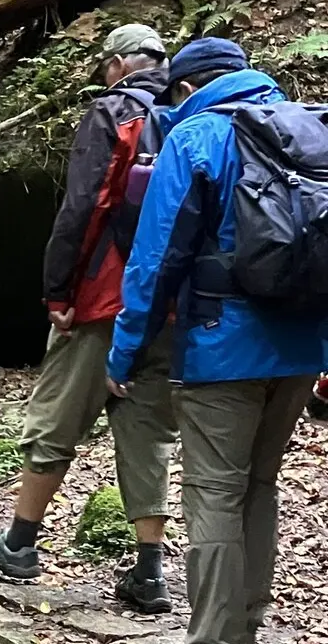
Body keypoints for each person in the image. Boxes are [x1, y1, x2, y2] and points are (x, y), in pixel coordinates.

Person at [106, 37, 326, 644]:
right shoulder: (307, 127)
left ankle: (214, 637)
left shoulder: (194, 136)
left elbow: (154, 262)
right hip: (303, 345)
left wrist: (124, 352)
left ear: (184, 87)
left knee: (214, 495)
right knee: (261, 483)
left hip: (220, 347)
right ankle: (247, 626)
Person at [0, 25, 179, 614]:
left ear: (115, 65)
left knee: (56, 417)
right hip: (172, 303)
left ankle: (18, 544)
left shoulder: (116, 111)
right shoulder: (190, 111)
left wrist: (58, 289)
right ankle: (150, 573)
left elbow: (85, 205)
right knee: (148, 431)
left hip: (107, 297)